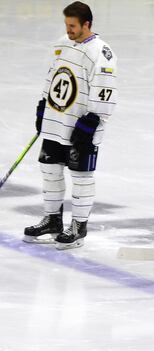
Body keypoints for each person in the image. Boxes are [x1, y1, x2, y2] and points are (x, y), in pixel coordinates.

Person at [23, 1, 117, 249]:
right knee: (50, 170)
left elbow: (106, 91)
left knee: (81, 177)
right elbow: (52, 75)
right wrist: (43, 105)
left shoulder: (101, 52)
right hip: (56, 121)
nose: (69, 30)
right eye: (66, 25)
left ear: (87, 24)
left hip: (81, 128)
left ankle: (78, 226)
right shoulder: (62, 44)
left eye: (73, 26)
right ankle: (53, 220)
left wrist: (91, 123)